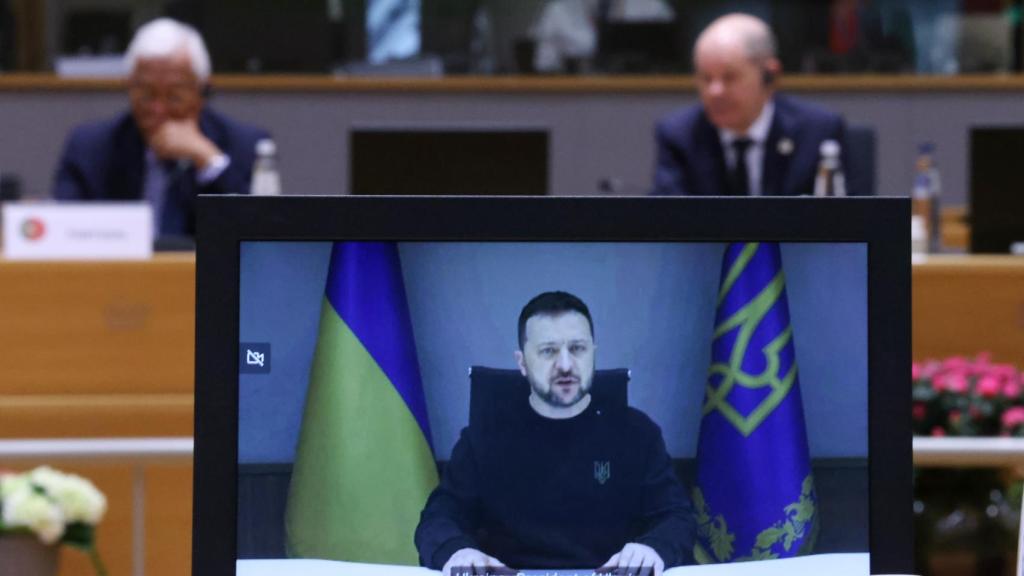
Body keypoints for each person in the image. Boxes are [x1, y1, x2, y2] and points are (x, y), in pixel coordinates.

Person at [415, 291, 694, 576]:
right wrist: (456, 550)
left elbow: (676, 516)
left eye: (577, 348)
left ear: (593, 353)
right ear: (522, 362)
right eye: (548, 351)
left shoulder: (637, 433)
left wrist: (653, 548)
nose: (565, 365)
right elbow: (439, 517)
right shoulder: (483, 438)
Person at [52, 18, 269, 237]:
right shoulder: (90, 148)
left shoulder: (246, 145)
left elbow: (260, 233)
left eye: (174, 97)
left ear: (202, 92)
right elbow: (64, 233)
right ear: (129, 86)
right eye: (147, 95)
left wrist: (209, 160)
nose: (158, 109)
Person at [652, 13, 865, 197]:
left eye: (730, 78)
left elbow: (850, 223)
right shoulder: (679, 136)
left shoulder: (819, 132)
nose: (714, 91)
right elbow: (666, 225)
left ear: (770, 76)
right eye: (706, 78)